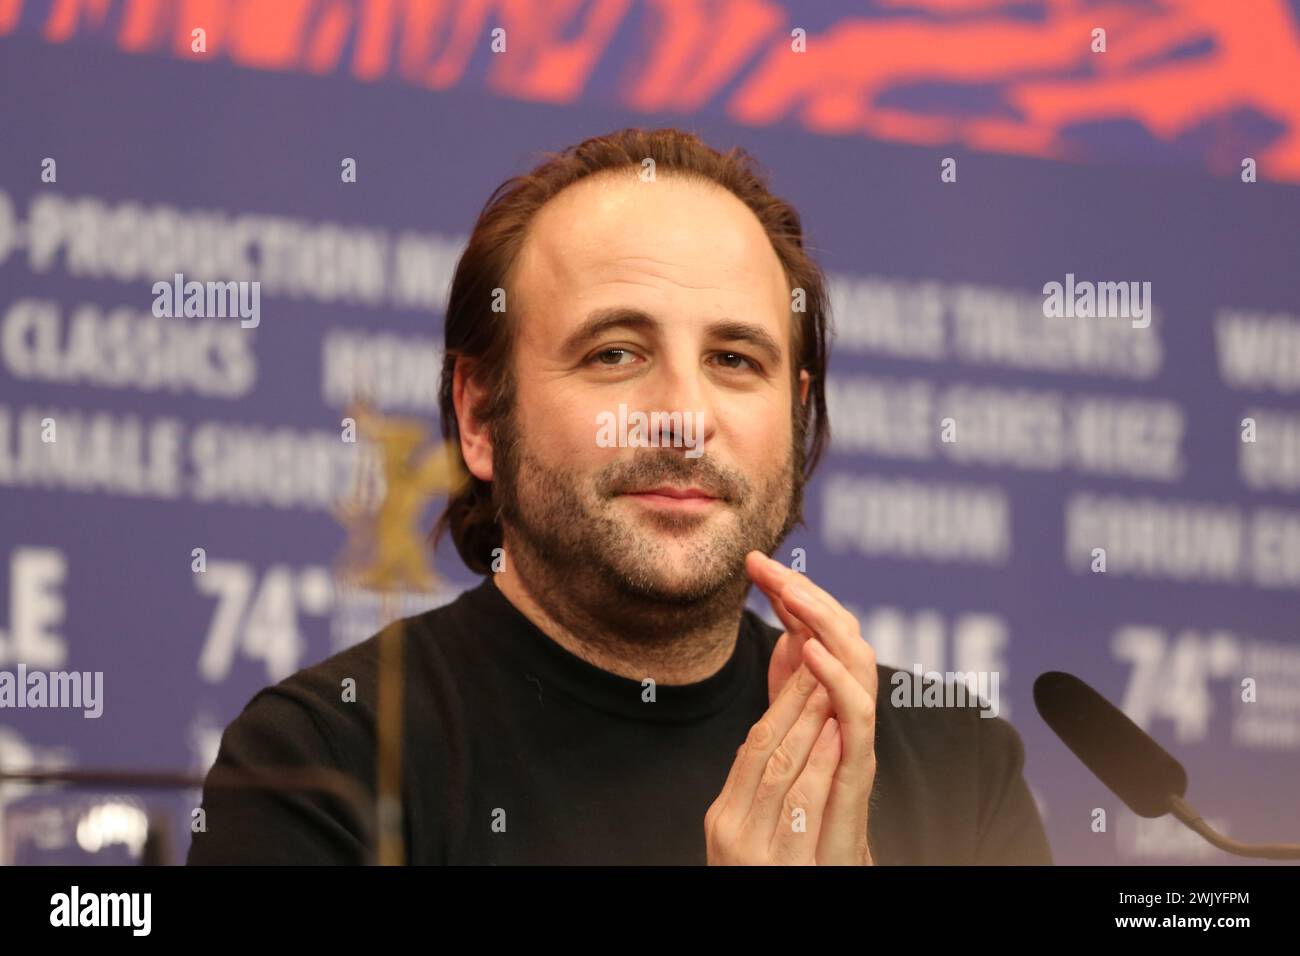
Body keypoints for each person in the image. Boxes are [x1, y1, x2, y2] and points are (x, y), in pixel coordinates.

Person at [187, 127, 1051, 866]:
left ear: (795, 413)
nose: (682, 417)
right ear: (481, 415)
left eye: (735, 361)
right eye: (615, 353)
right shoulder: (320, 762)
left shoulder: (957, 767)